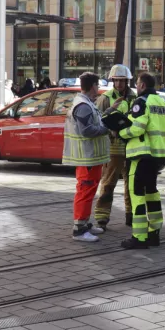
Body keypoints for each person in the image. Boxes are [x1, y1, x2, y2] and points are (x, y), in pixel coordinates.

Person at [118, 72, 165, 249]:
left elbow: (137, 128)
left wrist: (120, 132)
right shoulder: (163, 103)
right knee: (152, 194)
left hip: (141, 156)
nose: (136, 86)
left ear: (142, 85)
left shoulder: (141, 102)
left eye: (137, 83)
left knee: (137, 196)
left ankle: (139, 237)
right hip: (157, 156)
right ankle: (154, 234)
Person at [63, 72, 111, 242]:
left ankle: (84, 223)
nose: (98, 89)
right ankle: (79, 229)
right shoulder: (83, 105)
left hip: (91, 157)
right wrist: (106, 130)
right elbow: (87, 131)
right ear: (93, 86)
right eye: (97, 85)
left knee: (88, 190)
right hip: (86, 157)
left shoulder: (87, 103)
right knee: (85, 191)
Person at [94, 64, 135, 230]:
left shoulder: (135, 98)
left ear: (127, 81)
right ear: (112, 81)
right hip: (113, 149)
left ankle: (131, 215)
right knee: (108, 184)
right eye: (116, 80)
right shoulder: (105, 98)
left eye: (122, 81)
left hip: (131, 148)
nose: (119, 84)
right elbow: (97, 120)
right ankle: (102, 219)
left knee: (131, 185)